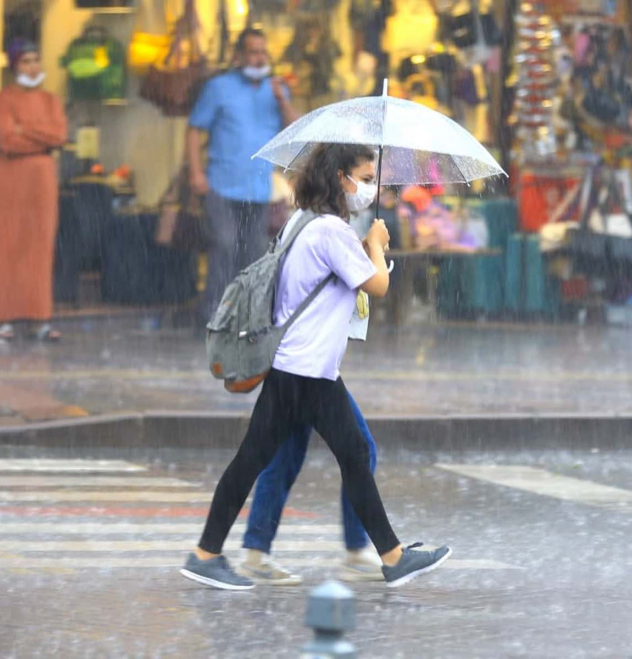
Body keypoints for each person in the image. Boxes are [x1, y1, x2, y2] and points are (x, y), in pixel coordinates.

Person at [180, 143, 451, 590]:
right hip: (307, 372)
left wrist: (364, 243)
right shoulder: (330, 231)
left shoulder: (302, 223)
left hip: (297, 368)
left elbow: (335, 277)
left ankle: (209, 552)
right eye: (364, 178)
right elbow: (377, 284)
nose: (368, 187)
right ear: (340, 178)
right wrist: (379, 246)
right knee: (346, 457)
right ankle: (392, 556)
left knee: (278, 459)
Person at [187, 27, 300, 324]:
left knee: (253, 255)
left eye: (263, 52)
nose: (259, 58)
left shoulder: (276, 89)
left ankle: (248, 318)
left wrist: (282, 99)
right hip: (222, 185)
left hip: (258, 188)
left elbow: (294, 130)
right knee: (224, 246)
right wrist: (196, 172)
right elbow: (194, 128)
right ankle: (215, 316)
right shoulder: (219, 87)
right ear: (238, 56)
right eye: (253, 52)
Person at [241, 373, 382, 586]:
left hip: (297, 367)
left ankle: (255, 555)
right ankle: (356, 551)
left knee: (283, 459)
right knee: (360, 451)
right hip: (313, 369)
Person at [0, 39, 67, 341]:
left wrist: (26, 130)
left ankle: (39, 317)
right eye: (26, 61)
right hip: (9, 175)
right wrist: (39, 135)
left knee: (39, 247)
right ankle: (2, 317)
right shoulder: (4, 98)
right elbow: (7, 139)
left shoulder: (51, 100)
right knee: (5, 243)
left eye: (36, 60)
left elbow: (59, 135)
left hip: (42, 177)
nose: (33, 67)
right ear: (15, 66)